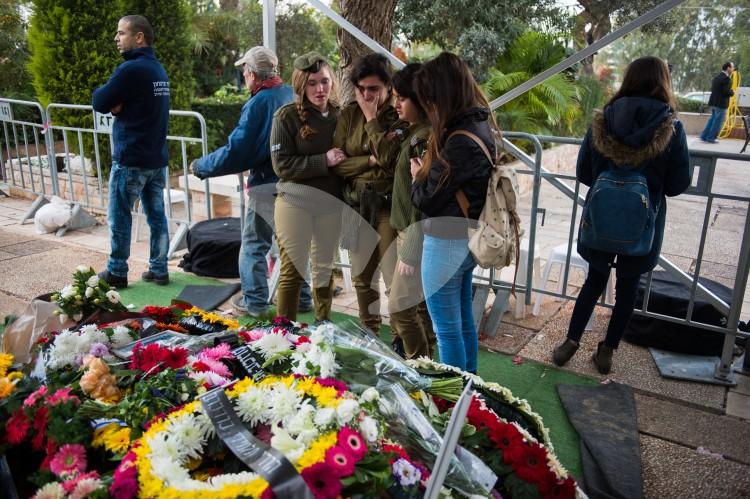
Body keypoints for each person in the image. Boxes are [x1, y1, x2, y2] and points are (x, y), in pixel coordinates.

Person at [552, 56, 691, 374]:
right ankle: (607, 352)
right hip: (643, 225)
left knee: (593, 281)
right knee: (628, 288)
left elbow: (584, 173)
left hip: (600, 219)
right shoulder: (671, 127)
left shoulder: (602, 121)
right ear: (663, 82)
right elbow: (677, 185)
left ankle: (571, 342)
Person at [190, 46, 312, 318]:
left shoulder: (258, 103)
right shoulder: (292, 93)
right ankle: (304, 299)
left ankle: (255, 302)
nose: (244, 75)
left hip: (267, 184)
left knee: (254, 244)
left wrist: (201, 166)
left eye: (245, 70)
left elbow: (237, 151)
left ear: (254, 75)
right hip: (298, 183)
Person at [410, 53, 496, 373]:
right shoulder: (479, 124)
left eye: (429, 98)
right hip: (466, 238)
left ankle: (454, 401)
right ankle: (470, 391)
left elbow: (427, 198)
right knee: (462, 324)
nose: (427, 106)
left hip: (446, 241)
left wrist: (417, 173)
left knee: (446, 331)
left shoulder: (459, 141)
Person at [93, 15, 170, 288]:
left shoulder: (130, 70)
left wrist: (116, 103)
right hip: (156, 159)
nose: (116, 38)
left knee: (120, 215)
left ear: (139, 37)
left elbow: (100, 101)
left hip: (131, 158)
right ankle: (159, 269)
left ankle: (116, 272)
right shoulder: (157, 69)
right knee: (157, 216)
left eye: (121, 33)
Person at [333, 53, 405, 334]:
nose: (366, 95)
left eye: (373, 88)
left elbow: (389, 161)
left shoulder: (397, 115)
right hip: (355, 203)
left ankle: (401, 338)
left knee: (392, 279)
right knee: (363, 277)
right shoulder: (348, 114)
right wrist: (369, 161)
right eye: (361, 88)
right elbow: (338, 165)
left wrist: (372, 119)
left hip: (386, 204)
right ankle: (369, 333)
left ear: (387, 87)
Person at [270, 52, 345, 322]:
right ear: (301, 85)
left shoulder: (340, 115)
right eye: (312, 83)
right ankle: (284, 332)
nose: (320, 89)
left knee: (325, 271)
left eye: (324, 81)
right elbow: (282, 166)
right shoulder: (286, 116)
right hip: (294, 202)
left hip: (330, 204)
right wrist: (322, 161)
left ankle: (322, 326)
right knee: (293, 270)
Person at [388, 63, 435, 359]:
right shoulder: (416, 133)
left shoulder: (422, 139)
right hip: (407, 230)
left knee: (400, 306)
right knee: (418, 306)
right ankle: (429, 363)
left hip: (413, 234)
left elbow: (424, 199)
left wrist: (411, 248)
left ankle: (418, 366)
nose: (395, 104)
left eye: (401, 98)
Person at [699, 62, 735, 144]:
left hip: (714, 103)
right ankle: (711, 138)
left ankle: (704, 136)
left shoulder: (717, 77)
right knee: (718, 122)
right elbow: (726, 92)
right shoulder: (726, 79)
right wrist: (732, 92)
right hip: (721, 104)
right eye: (732, 67)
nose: (733, 69)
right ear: (728, 68)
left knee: (712, 120)